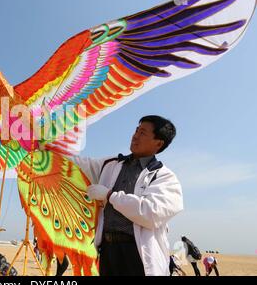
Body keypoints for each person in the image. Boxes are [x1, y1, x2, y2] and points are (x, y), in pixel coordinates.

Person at [74, 115, 183, 276]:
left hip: (137, 254)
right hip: (108, 250)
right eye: (136, 130)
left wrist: (110, 196)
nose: (135, 135)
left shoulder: (165, 178)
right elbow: (79, 164)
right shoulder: (110, 164)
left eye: (143, 133)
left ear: (158, 143)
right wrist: (46, 148)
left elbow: (151, 213)